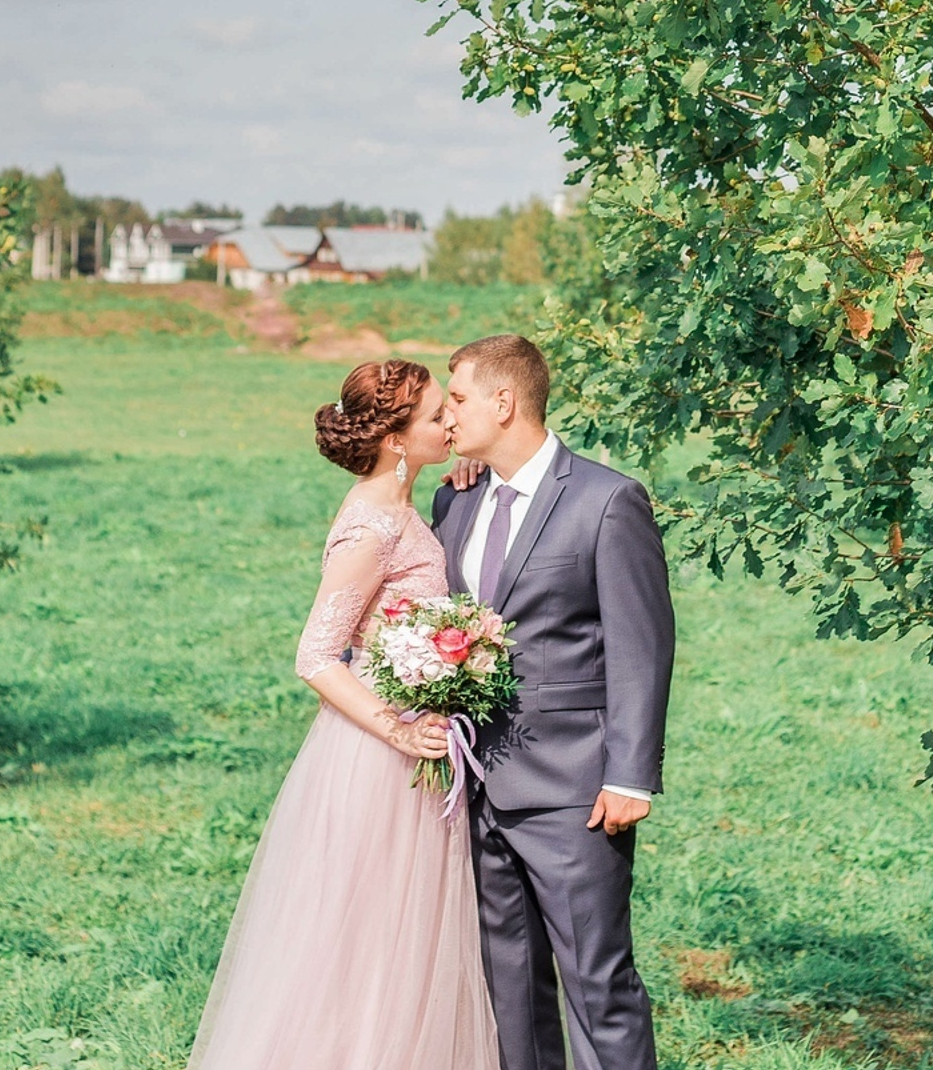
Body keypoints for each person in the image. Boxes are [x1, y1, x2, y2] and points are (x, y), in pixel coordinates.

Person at [186, 358, 500, 1070]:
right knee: (364, 943)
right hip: (376, 757)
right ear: (395, 439)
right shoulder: (368, 527)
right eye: (432, 418)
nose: (449, 422)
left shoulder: (402, 507)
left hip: (414, 749)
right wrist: (397, 728)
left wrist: (457, 479)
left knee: (406, 941)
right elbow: (317, 655)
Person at [433, 334, 676, 1070]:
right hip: (475, 788)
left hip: (575, 791)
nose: (447, 416)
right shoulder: (456, 497)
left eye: (458, 398)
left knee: (597, 986)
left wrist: (630, 776)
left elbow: (643, 643)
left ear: (504, 402)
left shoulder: (607, 500)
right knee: (510, 992)